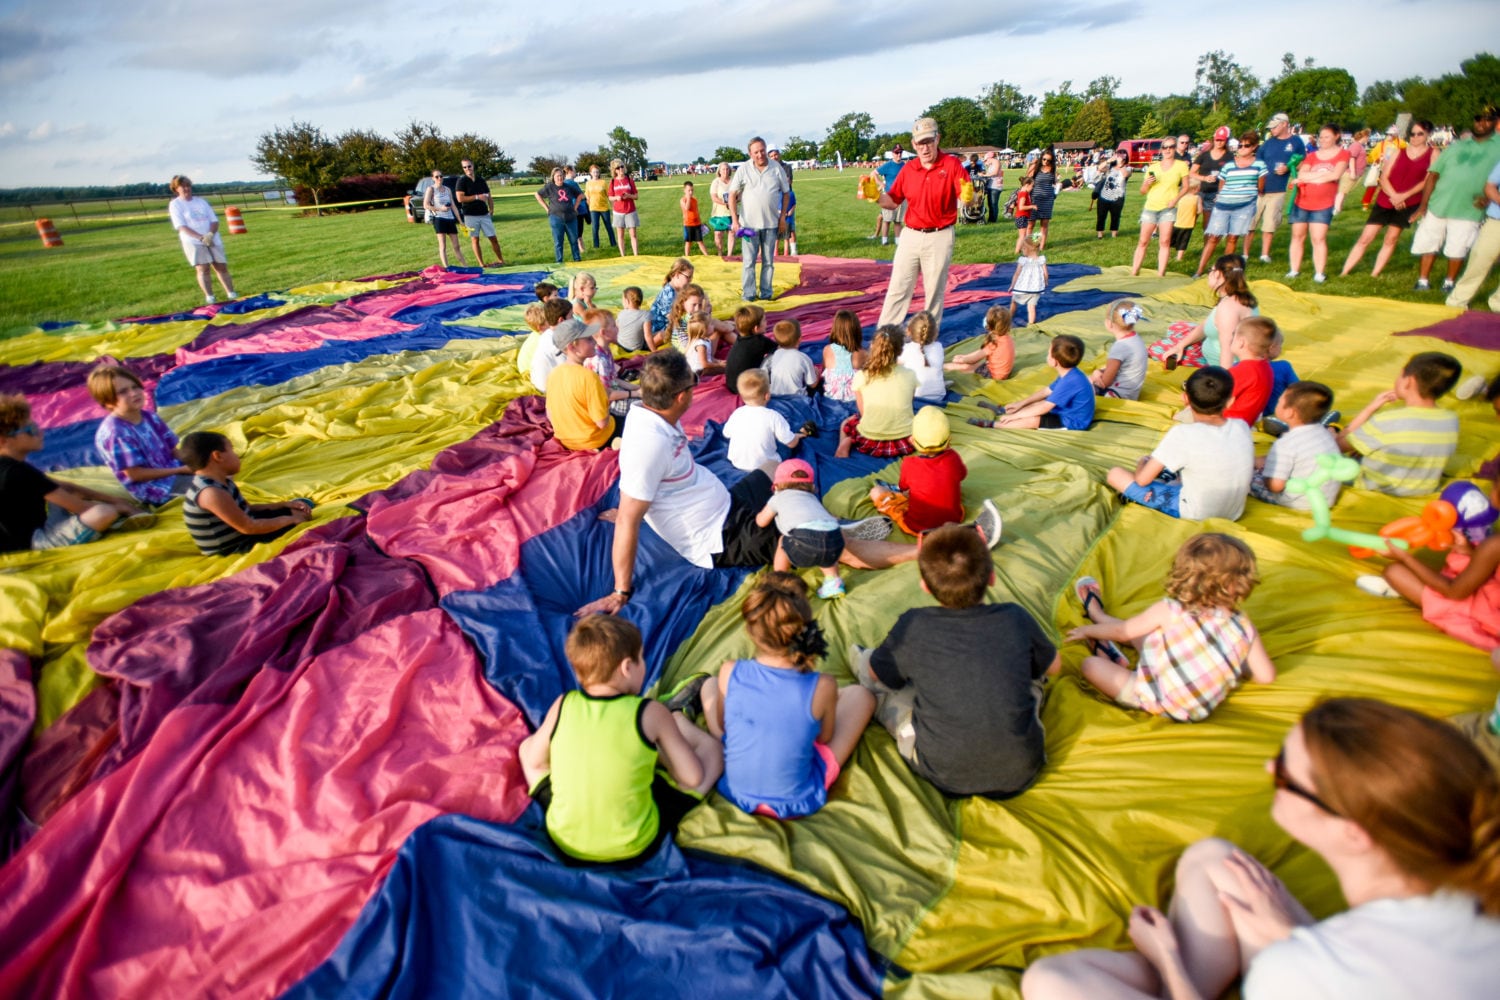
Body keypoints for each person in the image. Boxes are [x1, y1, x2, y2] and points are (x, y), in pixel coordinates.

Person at [1020, 697, 1500, 1000]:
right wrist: (1287, 932)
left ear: (1354, 833)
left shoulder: (1294, 975)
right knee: (1215, 860)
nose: (1270, 769)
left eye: (1287, 775)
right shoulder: (1472, 889)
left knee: (1051, 983)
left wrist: (1169, 959)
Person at [575, 351, 917, 617]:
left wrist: (628, 506)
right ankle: (916, 550)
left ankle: (813, 516)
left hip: (726, 501)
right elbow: (632, 513)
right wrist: (621, 590)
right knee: (830, 544)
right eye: (694, 383)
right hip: (721, 535)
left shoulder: (650, 414)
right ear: (681, 396)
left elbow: (640, 490)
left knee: (773, 465)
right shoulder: (648, 445)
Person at [850, 522, 1056, 799]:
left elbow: (880, 675)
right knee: (1033, 676)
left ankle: (858, 656)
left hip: (942, 772)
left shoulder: (914, 626)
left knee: (878, 683)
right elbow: (1053, 667)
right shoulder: (1015, 618)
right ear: (992, 577)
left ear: (924, 585)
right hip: (1021, 770)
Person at [517, 615, 721, 864]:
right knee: (712, 752)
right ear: (627, 667)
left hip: (565, 842)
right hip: (634, 846)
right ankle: (679, 718)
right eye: (641, 659)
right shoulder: (650, 711)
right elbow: (691, 777)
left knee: (527, 747)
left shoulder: (563, 704)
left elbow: (535, 761)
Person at [697, 574, 874, 817]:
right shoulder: (823, 685)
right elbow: (824, 738)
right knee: (862, 696)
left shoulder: (730, 670)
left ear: (750, 630)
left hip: (737, 790)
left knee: (709, 685)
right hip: (796, 798)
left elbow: (722, 724)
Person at [1069, 532, 1276, 721]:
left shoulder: (1171, 610)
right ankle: (1110, 645)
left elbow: (1122, 632)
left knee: (1091, 665)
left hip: (1157, 701)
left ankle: (1097, 617)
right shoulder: (1242, 625)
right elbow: (1266, 676)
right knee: (1152, 634)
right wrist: (1228, 659)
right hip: (1199, 712)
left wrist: (1086, 630)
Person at [0, 394, 150, 554]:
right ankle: (116, 518)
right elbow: (82, 508)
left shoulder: (12, 466)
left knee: (63, 491)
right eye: (31, 430)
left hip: (33, 527)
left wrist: (114, 499)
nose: (40, 433)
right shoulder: (17, 471)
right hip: (32, 543)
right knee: (103, 513)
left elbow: (63, 487)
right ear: (4, 440)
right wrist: (121, 508)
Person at [1107, 366, 1254, 521]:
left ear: (1185, 398)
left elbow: (1142, 480)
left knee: (1116, 474)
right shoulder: (1241, 426)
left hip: (1196, 513)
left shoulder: (1182, 434)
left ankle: (1142, 498)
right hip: (1234, 512)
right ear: (1231, 401)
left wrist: (1142, 463)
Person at [876, 118, 971, 331]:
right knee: (898, 288)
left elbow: (967, 198)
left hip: (940, 234)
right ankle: (884, 339)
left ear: (937, 139)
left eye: (929, 141)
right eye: (921, 143)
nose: (925, 147)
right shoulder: (909, 169)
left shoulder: (952, 165)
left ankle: (926, 344)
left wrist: (969, 197)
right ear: (914, 144)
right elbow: (892, 201)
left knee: (934, 292)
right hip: (911, 234)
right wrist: (876, 197)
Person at [1337, 351, 1462, 496]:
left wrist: (1370, 408)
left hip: (1374, 487)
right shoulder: (1451, 420)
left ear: (1409, 381)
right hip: (1422, 490)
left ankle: (1329, 426)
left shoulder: (1387, 420)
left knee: (1324, 439)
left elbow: (1338, 446)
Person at [178, 431, 311, 556]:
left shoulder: (221, 481)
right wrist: (290, 520)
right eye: (232, 450)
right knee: (300, 522)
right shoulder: (211, 493)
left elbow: (247, 509)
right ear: (217, 456)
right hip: (234, 546)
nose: (237, 455)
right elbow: (248, 527)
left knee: (300, 509)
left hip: (244, 529)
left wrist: (285, 505)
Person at [1412, 102, 1500, 293]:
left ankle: (1449, 282)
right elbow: (1433, 174)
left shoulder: (1499, 147)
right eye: (1478, 119)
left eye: (1488, 120)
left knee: (1458, 247)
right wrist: (1423, 205)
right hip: (1439, 203)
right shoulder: (1457, 146)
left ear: (1495, 123)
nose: (1481, 123)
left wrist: (1490, 198)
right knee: (1429, 243)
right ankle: (1422, 280)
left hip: (1470, 208)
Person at [1342, 119, 1438, 278]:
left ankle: (1375, 274)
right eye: (1412, 134)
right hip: (1386, 199)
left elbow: (1428, 180)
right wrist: (1394, 196)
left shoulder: (1433, 153)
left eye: (1419, 134)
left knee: (1391, 238)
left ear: (1428, 134)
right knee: (1366, 237)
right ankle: (1345, 271)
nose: (1415, 137)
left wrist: (1403, 197)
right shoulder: (1399, 152)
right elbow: (1384, 176)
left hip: (1409, 203)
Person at [89, 365, 190, 506]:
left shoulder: (150, 417)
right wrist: (181, 470)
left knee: (218, 468)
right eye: (123, 392)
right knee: (208, 488)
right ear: (108, 401)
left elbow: (173, 450)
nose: (133, 393)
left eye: (135, 387)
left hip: (174, 470)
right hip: (154, 487)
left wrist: (194, 462)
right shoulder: (116, 433)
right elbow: (135, 474)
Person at [755, 461, 850, 599]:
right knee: (824, 544)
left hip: (804, 541)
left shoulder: (777, 498)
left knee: (783, 540)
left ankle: (779, 581)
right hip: (835, 540)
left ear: (776, 485)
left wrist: (757, 516)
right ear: (811, 485)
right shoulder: (812, 498)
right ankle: (833, 582)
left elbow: (762, 522)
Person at [868, 406, 969, 536]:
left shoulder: (909, 464)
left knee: (876, 491)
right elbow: (962, 475)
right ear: (949, 441)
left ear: (912, 440)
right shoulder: (953, 457)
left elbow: (904, 489)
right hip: (953, 521)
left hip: (917, 527)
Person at [969, 334, 1094, 432]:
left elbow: (1045, 406)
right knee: (1036, 403)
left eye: (1048, 353)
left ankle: (995, 424)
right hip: (1064, 411)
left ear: (1055, 361)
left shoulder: (1070, 381)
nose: (1047, 355)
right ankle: (1004, 411)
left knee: (1033, 420)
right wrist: (1020, 404)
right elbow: (1047, 391)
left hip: (1072, 422)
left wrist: (1014, 417)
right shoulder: (1070, 374)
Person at [1153, 255, 1257, 369]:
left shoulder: (1228, 309)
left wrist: (1223, 379)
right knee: (1177, 327)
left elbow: (1228, 349)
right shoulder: (1239, 296)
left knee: (1158, 349)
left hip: (1217, 362)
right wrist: (1181, 345)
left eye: (1210, 270)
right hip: (1214, 345)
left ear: (1217, 274)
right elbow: (1206, 324)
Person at [1250, 381, 1341, 510]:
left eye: (1279, 401)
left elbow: (1276, 486)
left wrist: (1262, 475)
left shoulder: (1286, 443)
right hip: (1325, 498)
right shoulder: (1324, 433)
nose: (1277, 403)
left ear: (1289, 413)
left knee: (1246, 475)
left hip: (1299, 502)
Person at [835, 325, 920, 459]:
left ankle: (845, 443)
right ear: (900, 350)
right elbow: (909, 403)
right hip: (905, 440)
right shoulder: (910, 374)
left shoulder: (862, 376)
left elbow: (864, 413)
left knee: (847, 422)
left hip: (870, 440)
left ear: (873, 346)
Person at [728, 137, 791, 303]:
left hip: (771, 224)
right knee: (749, 262)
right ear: (750, 153)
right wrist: (735, 220)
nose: (760, 154)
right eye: (756, 152)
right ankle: (748, 295)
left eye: (762, 150)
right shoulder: (743, 169)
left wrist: (783, 217)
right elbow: (732, 194)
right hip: (749, 226)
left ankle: (766, 293)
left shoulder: (776, 168)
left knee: (768, 262)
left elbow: (786, 193)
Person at [1195, 132, 1266, 277]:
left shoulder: (1259, 165)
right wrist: (1222, 197)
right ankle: (1199, 270)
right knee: (1213, 237)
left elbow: (1260, 187)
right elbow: (1222, 184)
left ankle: (1222, 271)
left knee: (1232, 238)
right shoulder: (1229, 165)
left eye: (1247, 146)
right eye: (1240, 145)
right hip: (1223, 205)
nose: (1242, 148)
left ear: (1254, 147)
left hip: (1244, 206)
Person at [1285, 124, 1348, 283]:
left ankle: (1319, 273)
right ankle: (1294, 270)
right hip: (1302, 200)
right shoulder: (1312, 156)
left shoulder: (1343, 154)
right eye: (1321, 136)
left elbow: (1335, 175)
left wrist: (1311, 177)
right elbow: (1301, 173)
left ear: (1336, 136)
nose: (1323, 140)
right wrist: (1319, 176)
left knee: (1318, 238)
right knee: (1297, 235)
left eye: (1327, 136)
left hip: (1324, 203)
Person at [544, 317, 617, 451]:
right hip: (594, 440)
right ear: (572, 346)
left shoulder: (554, 374)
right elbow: (602, 423)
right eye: (589, 339)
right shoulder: (589, 377)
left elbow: (550, 414)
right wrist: (605, 402)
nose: (595, 341)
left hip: (567, 441)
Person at [167, 175, 236, 305]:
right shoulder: (175, 205)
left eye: (188, 185)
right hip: (194, 241)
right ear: (176, 189)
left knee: (221, 266)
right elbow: (181, 226)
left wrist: (210, 234)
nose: (187, 188)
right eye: (183, 186)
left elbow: (214, 220)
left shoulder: (201, 201)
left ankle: (231, 293)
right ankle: (210, 296)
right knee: (203, 268)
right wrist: (201, 238)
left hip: (212, 237)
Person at [723, 369, 806, 473]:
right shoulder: (774, 416)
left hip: (737, 463)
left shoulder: (737, 413)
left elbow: (726, 434)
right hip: (765, 468)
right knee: (786, 446)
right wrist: (797, 436)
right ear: (767, 396)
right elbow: (791, 443)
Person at [1447, 151, 1500, 310]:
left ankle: (1497, 303)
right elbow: (1490, 186)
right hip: (1497, 220)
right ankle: (1457, 301)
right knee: (1480, 259)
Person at [1253, 113, 1305, 264]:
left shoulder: (1296, 142)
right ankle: (1245, 253)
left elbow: (1303, 162)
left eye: (1274, 127)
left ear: (1284, 124)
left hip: (1278, 189)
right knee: (1251, 223)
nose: (1272, 130)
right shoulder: (1268, 143)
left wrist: (1288, 168)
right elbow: (1258, 162)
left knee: (1269, 223)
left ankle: (1264, 254)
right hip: (1260, 188)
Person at [1132, 143, 1189, 277]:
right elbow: (1143, 191)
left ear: (1175, 149)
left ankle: (1160, 274)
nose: (1167, 150)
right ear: (1161, 150)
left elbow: (1186, 187)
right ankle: (1134, 271)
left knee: (1164, 241)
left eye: (1171, 147)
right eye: (1165, 147)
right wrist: (1147, 183)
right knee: (1143, 241)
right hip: (1151, 207)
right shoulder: (1153, 167)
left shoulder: (1181, 166)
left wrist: (1175, 200)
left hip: (1168, 208)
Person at [1222, 316, 1278, 425]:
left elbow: (1215, 398)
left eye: (1234, 335)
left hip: (1227, 423)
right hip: (1248, 422)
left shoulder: (1240, 372)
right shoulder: (1265, 367)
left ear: (1241, 342)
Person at [1089, 300, 1148, 400]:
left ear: (1109, 323)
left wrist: (1094, 376)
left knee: (1080, 385)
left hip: (1117, 394)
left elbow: (1105, 382)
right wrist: (1102, 371)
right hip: (1133, 392)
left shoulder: (1120, 347)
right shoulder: (1136, 339)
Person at [454, 159, 503, 267]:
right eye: (465, 167)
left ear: (473, 166)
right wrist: (476, 197)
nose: (467, 169)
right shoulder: (461, 181)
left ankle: (501, 260)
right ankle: (481, 264)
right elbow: (459, 198)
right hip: (470, 215)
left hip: (484, 214)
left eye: (469, 166)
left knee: (493, 238)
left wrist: (491, 209)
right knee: (475, 239)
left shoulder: (481, 180)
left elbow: (489, 195)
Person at [946, 305, 1015, 381]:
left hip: (994, 375)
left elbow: (974, 359)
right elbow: (980, 353)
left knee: (964, 367)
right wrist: (964, 356)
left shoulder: (994, 343)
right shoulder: (1007, 338)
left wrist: (961, 360)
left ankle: (942, 367)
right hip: (1002, 372)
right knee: (977, 365)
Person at [421, 168, 468, 269]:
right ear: (433, 178)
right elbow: (425, 205)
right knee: (443, 246)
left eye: (441, 176)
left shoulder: (447, 189)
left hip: (450, 219)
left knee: (456, 246)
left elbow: (454, 206)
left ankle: (465, 266)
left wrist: (460, 221)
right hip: (439, 219)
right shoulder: (431, 189)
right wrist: (440, 208)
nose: (439, 178)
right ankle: (447, 268)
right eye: (437, 177)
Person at [723, 304, 773, 395]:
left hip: (732, 385)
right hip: (748, 387)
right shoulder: (760, 341)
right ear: (756, 329)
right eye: (764, 321)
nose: (767, 323)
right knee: (775, 357)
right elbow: (779, 349)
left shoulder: (739, 339)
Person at [535, 167, 582, 264]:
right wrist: (546, 208)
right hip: (556, 218)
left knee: (574, 240)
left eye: (561, 175)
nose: (560, 178)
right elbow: (537, 194)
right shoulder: (550, 187)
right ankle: (559, 261)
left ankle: (577, 259)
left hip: (571, 218)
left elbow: (580, 195)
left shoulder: (568, 186)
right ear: (553, 177)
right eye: (557, 176)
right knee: (558, 242)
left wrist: (575, 207)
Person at [1190, 127, 1232, 233]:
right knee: (1189, 221)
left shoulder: (1229, 156)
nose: (1219, 142)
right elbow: (1192, 172)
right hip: (1201, 191)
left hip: (1216, 192)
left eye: (1222, 140)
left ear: (1226, 140)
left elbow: (1231, 175)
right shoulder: (1204, 155)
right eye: (1217, 139)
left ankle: (1207, 246)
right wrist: (1204, 178)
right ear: (1213, 139)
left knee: (1208, 223)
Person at [899, 311, 947, 403]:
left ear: (908, 331)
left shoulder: (905, 350)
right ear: (935, 332)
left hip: (915, 397)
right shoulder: (938, 347)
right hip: (938, 396)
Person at [529, 298, 574, 393]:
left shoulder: (548, 333)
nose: (574, 319)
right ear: (561, 320)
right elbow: (569, 369)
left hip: (540, 382)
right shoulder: (558, 343)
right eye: (571, 316)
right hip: (550, 388)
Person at [648, 259, 695, 348]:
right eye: (688, 277)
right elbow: (673, 319)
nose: (690, 280)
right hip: (661, 329)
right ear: (677, 274)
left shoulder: (680, 289)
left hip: (673, 325)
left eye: (691, 278)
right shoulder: (668, 293)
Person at [821, 309, 866, 402]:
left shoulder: (827, 350)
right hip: (854, 397)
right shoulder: (862, 354)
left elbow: (824, 371)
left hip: (831, 396)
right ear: (856, 330)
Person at [766, 319, 818, 397]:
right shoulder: (803, 358)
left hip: (774, 398)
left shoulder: (773, 356)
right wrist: (817, 373)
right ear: (800, 339)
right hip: (796, 400)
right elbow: (812, 384)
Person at [1362, 123, 1407, 209]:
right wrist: (1377, 159)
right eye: (1388, 134)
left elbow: (1406, 153)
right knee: (1372, 184)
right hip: (1381, 167)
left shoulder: (1401, 143)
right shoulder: (1381, 144)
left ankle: (1391, 202)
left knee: (1393, 186)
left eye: (1391, 134)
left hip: (1395, 168)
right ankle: (1366, 203)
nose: (1389, 136)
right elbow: (1372, 155)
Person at [1010, 237, 1049, 326]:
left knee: (1014, 301)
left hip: (1022, 288)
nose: (1021, 250)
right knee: (1031, 307)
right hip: (1036, 289)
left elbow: (1016, 273)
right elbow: (1046, 273)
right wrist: (1045, 282)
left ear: (1027, 249)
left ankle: (1010, 315)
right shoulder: (1041, 259)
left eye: (1023, 248)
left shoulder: (1023, 260)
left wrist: (1013, 285)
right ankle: (1031, 323)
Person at [1026, 147, 1059, 251]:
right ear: (1041, 158)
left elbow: (1054, 182)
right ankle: (1029, 245)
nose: (1046, 162)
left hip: (1048, 199)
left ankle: (1042, 246)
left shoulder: (1053, 169)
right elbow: (1027, 177)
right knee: (1031, 223)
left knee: (1044, 224)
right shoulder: (1036, 168)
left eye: (1048, 160)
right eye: (1044, 159)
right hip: (1035, 198)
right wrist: (1032, 164)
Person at [873, 144, 907, 245]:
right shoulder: (888, 165)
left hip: (901, 197)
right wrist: (880, 184)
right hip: (889, 196)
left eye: (900, 152)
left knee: (898, 221)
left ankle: (898, 241)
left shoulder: (904, 165)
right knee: (887, 220)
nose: (899, 154)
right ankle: (884, 240)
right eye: (897, 152)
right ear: (893, 153)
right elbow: (874, 173)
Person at [1093, 150, 1131, 239]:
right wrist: (1108, 161)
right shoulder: (1110, 167)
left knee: (1115, 216)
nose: (1119, 156)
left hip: (1118, 197)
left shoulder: (1128, 168)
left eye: (1122, 154)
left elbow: (1125, 174)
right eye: (1118, 154)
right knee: (1101, 216)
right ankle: (1100, 234)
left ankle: (1114, 234)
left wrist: (1120, 164)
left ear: (1125, 157)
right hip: (1104, 196)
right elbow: (1099, 168)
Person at [608, 159, 641, 257]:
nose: (621, 169)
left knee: (633, 235)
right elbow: (610, 197)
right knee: (620, 235)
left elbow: (636, 196)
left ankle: (636, 255)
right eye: (618, 168)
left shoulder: (629, 180)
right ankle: (623, 256)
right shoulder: (613, 182)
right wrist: (616, 198)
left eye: (622, 166)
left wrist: (629, 196)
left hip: (630, 210)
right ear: (615, 170)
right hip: (618, 212)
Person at [582, 163, 617, 250]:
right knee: (595, 227)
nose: (596, 174)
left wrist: (613, 207)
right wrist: (588, 205)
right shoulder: (588, 184)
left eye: (597, 172)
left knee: (608, 226)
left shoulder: (603, 182)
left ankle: (613, 243)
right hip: (593, 208)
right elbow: (587, 196)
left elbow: (609, 196)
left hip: (604, 208)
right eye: (594, 172)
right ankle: (596, 246)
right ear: (590, 173)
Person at [1335, 128, 1369, 215]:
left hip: (1357, 172)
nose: (1368, 139)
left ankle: (1339, 208)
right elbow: (1352, 158)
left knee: (1345, 191)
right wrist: (1353, 172)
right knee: (1342, 191)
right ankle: (1336, 209)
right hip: (1350, 172)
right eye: (1368, 137)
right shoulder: (1356, 145)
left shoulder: (1359, 146)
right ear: (1364, 137)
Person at [708, 162, 734, 258]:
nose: (725, 171)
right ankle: (720, 253)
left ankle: (729, 255)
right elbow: (714, 197)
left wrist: (734, 201)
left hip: (732, 212)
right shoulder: (716, 182)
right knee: (718, 233)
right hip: (719, 212)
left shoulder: (733, 181)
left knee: (731, 232)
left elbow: (739, 194)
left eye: (727, 169)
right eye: (723, 169)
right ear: (719, 171)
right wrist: (724, 203)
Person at [678, 181, 710, 257]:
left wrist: (700, 222)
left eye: (692, 190)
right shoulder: (683, 200)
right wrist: (688, 198)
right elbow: (687, 208)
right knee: (688, 242)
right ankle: (687, 256)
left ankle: (707, 255)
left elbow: (696, 211)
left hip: (697, 224)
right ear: (684, 190)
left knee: (700, 241)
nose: (691, 192)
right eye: (689, 190)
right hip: (688, 224)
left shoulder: (694, 200)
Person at [616, 287, 650, 352]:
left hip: (621, 345)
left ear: (627, 301)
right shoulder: (645, 314)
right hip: (636, 348)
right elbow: (648, 336)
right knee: (661, 334)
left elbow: (616, 328)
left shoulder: (621, 313)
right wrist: (654, 351)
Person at [1012, 175, 1037, 255]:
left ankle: (1021, 249)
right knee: (1022, 236)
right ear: (1027, 185)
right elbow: (1021, 207)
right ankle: (1017, 251)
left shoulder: (1023, 193)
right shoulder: (1023, 194)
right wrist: (1032, 206)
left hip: (1023, 216)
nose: (1032, 188)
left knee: (1022, 235)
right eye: (1032, 186)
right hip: (1021, 216)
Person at [984, 151, 1005, 224]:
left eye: (986, 160)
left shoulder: (996, 162)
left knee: (993, 203)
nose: (986, 162)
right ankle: (991, 219)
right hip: (991, 186)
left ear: (989, 158)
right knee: (990, 204)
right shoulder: (992, 164)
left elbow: (995, 173)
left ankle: (993, 220)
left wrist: (985, 175)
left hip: (995, 186)